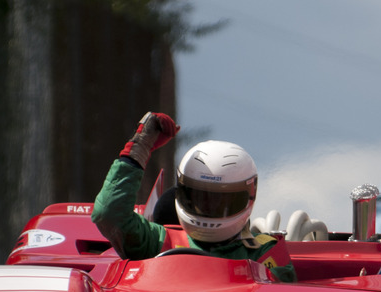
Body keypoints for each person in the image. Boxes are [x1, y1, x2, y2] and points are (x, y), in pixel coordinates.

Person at [91, 111, 296, 282]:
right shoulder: (160, 241)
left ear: (248, 197)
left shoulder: (264, 252)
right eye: (201, 198)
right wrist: (139, 149)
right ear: (181, 193)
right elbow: (108, 213)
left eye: (221, 201)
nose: (209, 207)